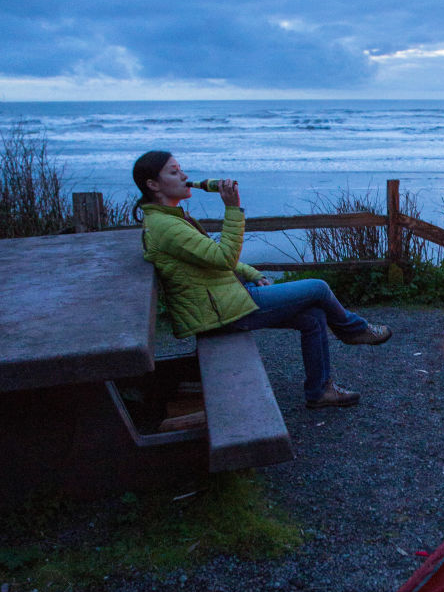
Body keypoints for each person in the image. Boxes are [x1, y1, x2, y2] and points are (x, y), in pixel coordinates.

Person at [133, 150, 390, 407]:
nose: (185, 176)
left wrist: (251, 273)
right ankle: (354, 330)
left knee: (314, 317)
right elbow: (223, 258)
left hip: (222, 301)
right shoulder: (166, 226)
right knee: (318, 288)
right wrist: (232, 209)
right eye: (174, 172)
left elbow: (209, 257)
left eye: (181, 169)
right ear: (153, 185)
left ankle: (320, 391)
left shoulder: (169, 219)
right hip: (219, 312)